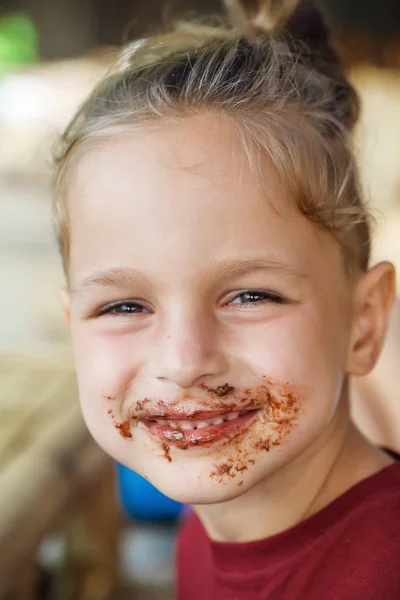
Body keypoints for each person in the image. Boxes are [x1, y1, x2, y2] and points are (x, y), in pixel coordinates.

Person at [53, 0, 400, 598]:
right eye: (124, 306)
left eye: (250, 295)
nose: (185, 360)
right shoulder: (201, 535)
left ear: (362, 324)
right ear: (72, 328)